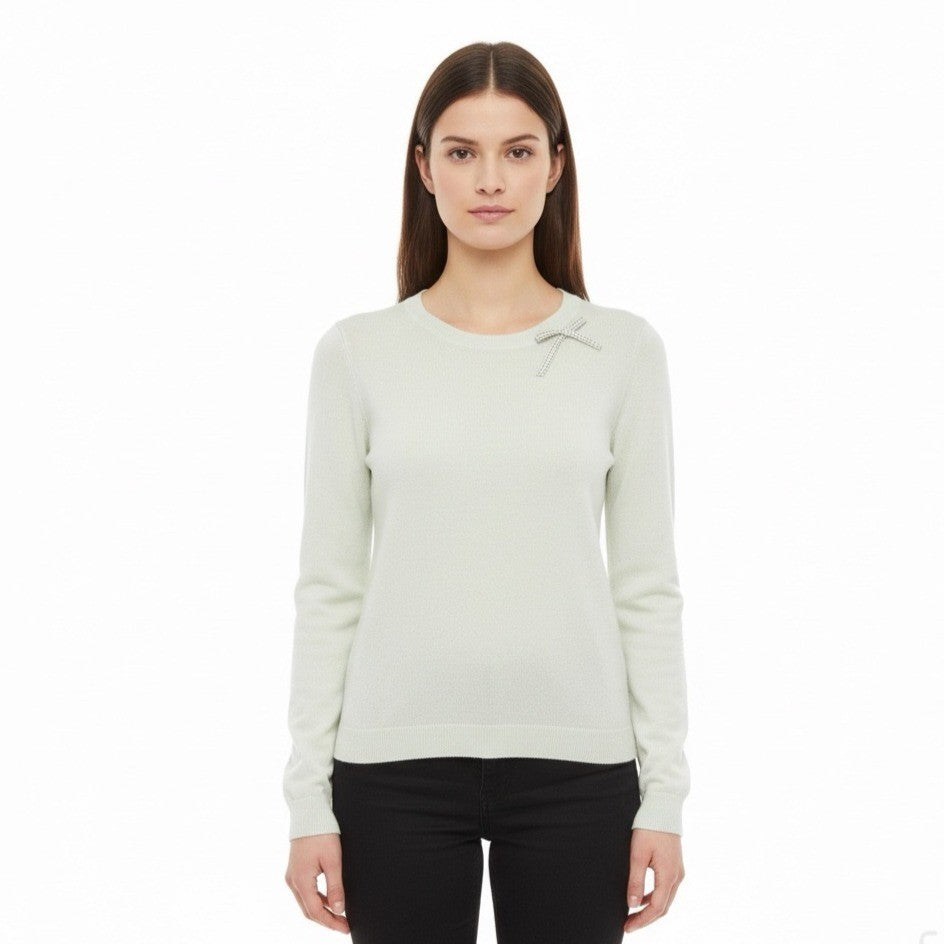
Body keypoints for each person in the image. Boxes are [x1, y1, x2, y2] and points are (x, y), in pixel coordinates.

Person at [283, 40, 690, 943]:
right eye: (463, 151)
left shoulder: (622, 352)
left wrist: (663, 794)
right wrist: (309, 799)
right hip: (392, 769)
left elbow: (647, 588)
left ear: (556, 165)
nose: (491, 179)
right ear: (424, 167)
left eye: (518, 150)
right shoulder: (357, 354)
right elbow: (329, 589)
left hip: (579, 769)